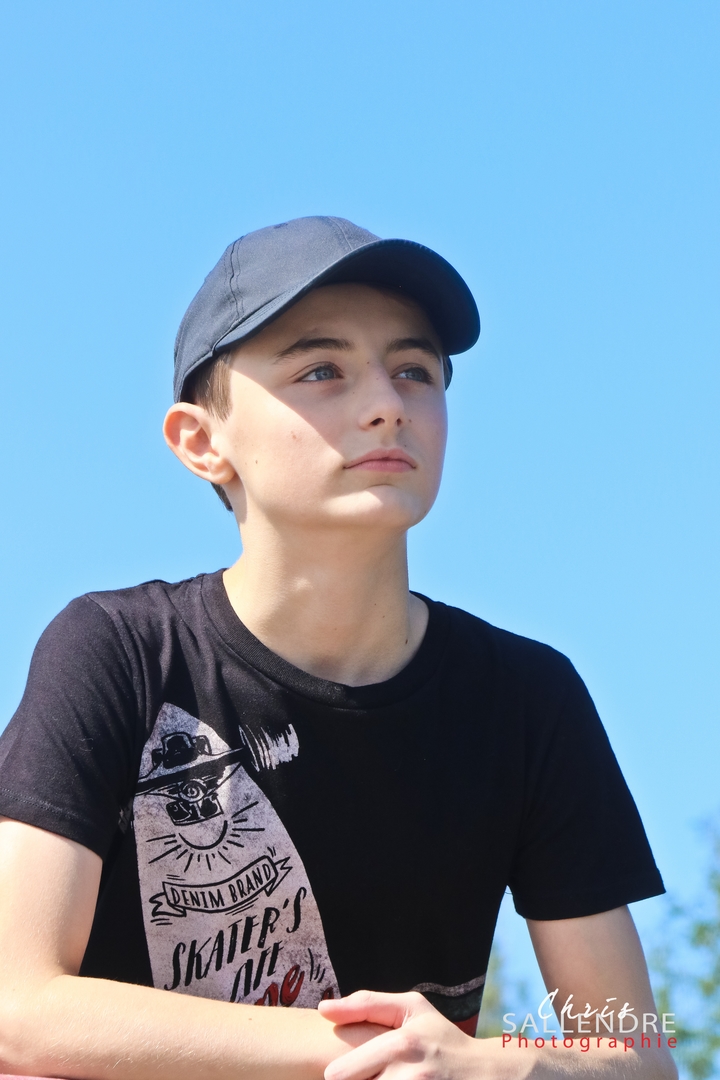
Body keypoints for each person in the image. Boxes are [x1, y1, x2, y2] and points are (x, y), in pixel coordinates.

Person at [0, 216, 675, 1080]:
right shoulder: (119, 652)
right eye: (321, 370)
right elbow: (18, 1005)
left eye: (415, 370)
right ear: (201, 442)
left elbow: (636, 1058)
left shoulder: (528, 697)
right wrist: (376, 1050)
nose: (388, 403)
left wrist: (482, 1068)